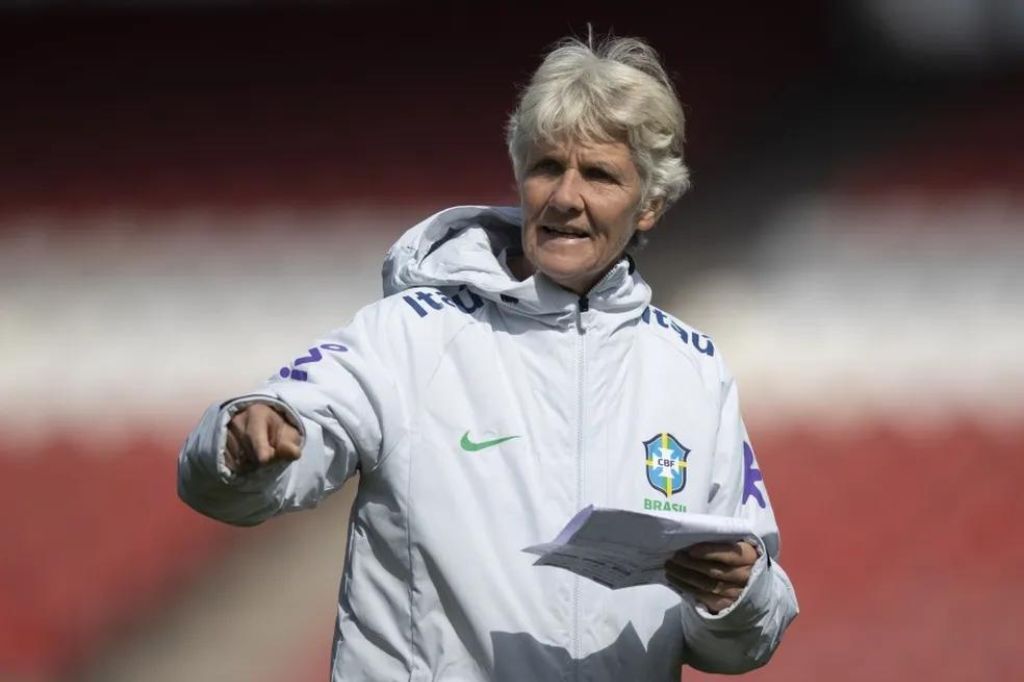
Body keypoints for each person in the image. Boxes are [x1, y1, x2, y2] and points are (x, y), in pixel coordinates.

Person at [178, 35, 798, 681]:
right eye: (546, 166)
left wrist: (738, 596)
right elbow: (262, 457)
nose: (564, 196)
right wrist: (244, 437)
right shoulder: (410, 336)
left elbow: (747, 636)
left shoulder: (692, 370)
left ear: (650, 206)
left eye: (600, 175)